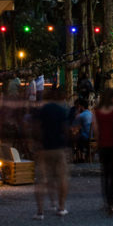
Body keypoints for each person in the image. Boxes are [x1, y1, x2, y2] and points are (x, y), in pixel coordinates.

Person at [33, 90, 71, 219]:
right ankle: (61, 207)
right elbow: (66, 129)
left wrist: (37, 143)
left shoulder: (42, 110)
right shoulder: (61, 111)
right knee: (62, 178)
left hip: (43, 148)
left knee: (41, 180)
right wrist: (67, 145)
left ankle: (40, 211)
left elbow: (36, 127)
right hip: (59, 148)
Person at [92, 88, 113, 216]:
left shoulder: (96, 111)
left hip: (103, 146)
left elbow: (96, 130)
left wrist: (98, 142)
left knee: (105, 175)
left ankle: (108, 202)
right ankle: (111, 202)